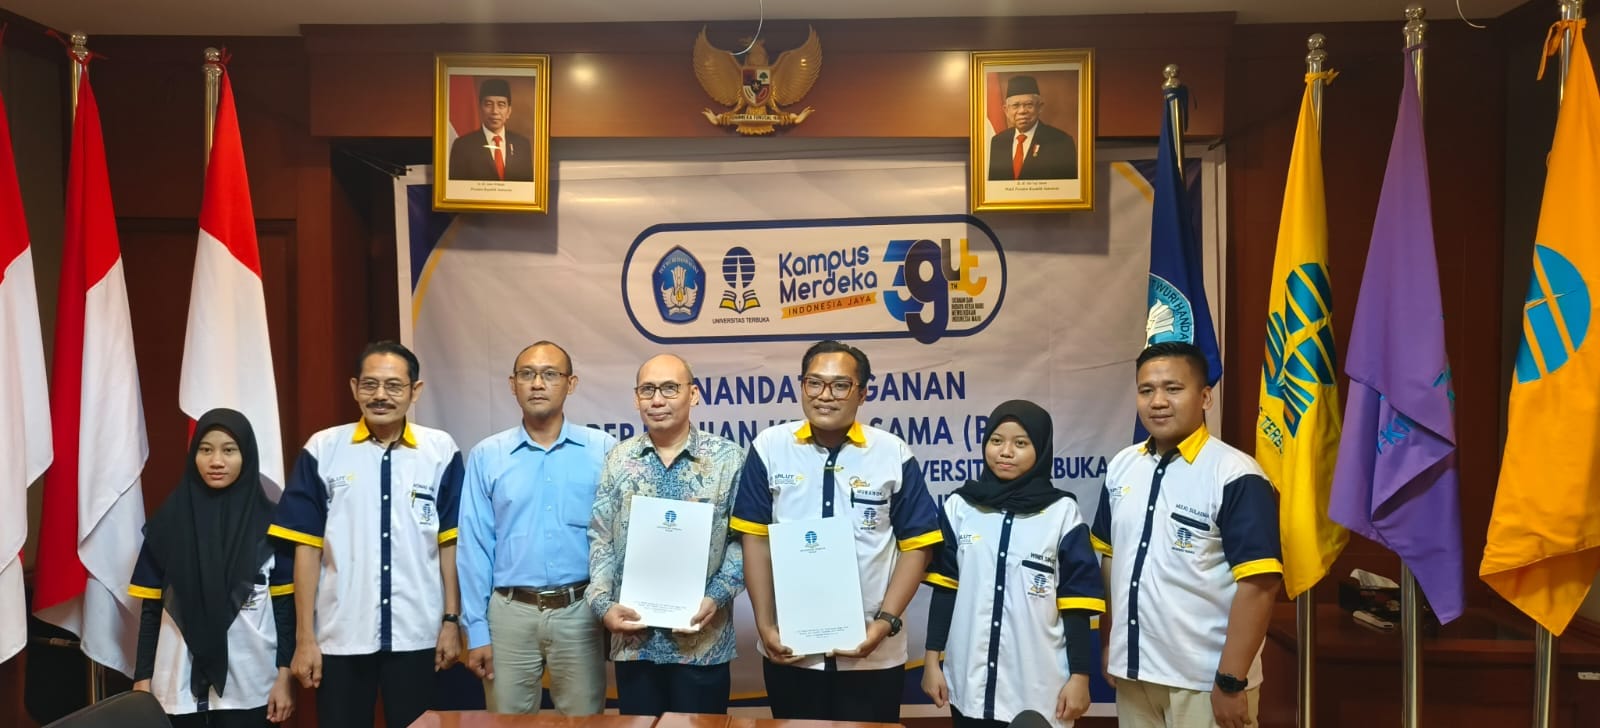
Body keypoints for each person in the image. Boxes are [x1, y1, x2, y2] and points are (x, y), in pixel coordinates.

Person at [731, 339, 943, 723]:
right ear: (801, 386)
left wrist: (885, 622)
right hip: (791, 649)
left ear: (862, 393)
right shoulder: (770, 447)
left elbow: (917, 547)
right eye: (814, 383)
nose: (825, 395)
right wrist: (765, 625)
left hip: (873, 652)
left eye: (840, 385)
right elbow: (755, 539)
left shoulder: (892, 453)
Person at [270, 341, 465, 728]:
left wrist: (451, 621)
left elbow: (450, 543)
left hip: (419, 634)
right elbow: (306, 549)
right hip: (341, 634)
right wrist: (305, 638)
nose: (380, 395)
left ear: (415, 391)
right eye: (370, 384)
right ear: (354, 387)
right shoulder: (323, 448)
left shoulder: (440, 450)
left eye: (393, 385)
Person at [1092, 342, 1282, 728]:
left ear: (1205, 397)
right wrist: (1111, 642)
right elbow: (1111, 558)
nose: (1158, 401)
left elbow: (1260, 584)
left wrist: (1231, 681)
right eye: (1146, 390)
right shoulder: (1122, 466)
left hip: (1205, 684)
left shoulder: (1235, 474)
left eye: (1173, 389)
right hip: (1135, 675)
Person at [921, 400, 1104, 728]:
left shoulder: (1062, 514)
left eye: (1020, 443)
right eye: (996, 441)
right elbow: (946, 591)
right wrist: (932, 661)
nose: (1005, 452)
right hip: (969, 684)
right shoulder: (960, 507)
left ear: (1041, 449)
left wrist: (1080, 676)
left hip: (1039, 689)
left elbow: (1076, 605)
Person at [457, 341, 617, 714]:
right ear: (512, 384)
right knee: (506, 722)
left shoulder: (602, 449)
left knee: (583, 723)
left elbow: (616, 537)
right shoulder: (487, 455)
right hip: (509, 614)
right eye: (527, 374)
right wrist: (476, 631)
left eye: (550, 374)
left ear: (571, 383)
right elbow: (475, 547)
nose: (537, 383)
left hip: (580, 612)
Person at [587, 354, 745, 716]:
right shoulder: (619, 459)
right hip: (634, 642)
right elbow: (600, 536)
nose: (657, 400)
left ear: (694, 394)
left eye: (670, 388)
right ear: (636, 398)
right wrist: (602, 604)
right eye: (648, 390)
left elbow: (743, 543)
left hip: (702, 644)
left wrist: (717, 596)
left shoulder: (729, 459)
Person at [129, 408, 295, 727]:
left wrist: (284, 676)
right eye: (205, 450)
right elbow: (151, 610)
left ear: (247, 455)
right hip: (177, 684)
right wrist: (142, 679)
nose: (216, 461)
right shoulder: (168, 524)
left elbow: (285, 610)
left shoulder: (273, 526)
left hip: (250, 684)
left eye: (229, 450)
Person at [987, 75, 1078, 181]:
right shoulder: (998, 142)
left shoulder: (1061, 142)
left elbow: (1067, 187)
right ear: (1006, 110)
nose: (1022, 111)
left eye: (1028, 105)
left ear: (1040, 107)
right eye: (1015, 105)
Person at [448, 78, 535, 182]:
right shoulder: (462, 146)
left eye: (501, 105)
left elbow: (527, 186)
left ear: (509, 111)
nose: (495, 111)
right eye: (488, 104)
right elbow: (457, 187)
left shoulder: (522, 145)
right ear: (480, 109)